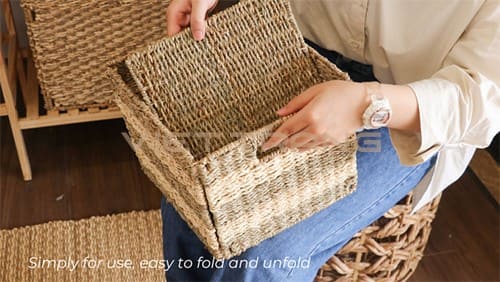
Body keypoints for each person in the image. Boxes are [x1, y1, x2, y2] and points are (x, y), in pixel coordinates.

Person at [162, 0, 500, 281]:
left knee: (266, 253)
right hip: (297, 48)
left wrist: (367, 106)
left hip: (406, 106)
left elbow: (481, 99)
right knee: (191, 195)